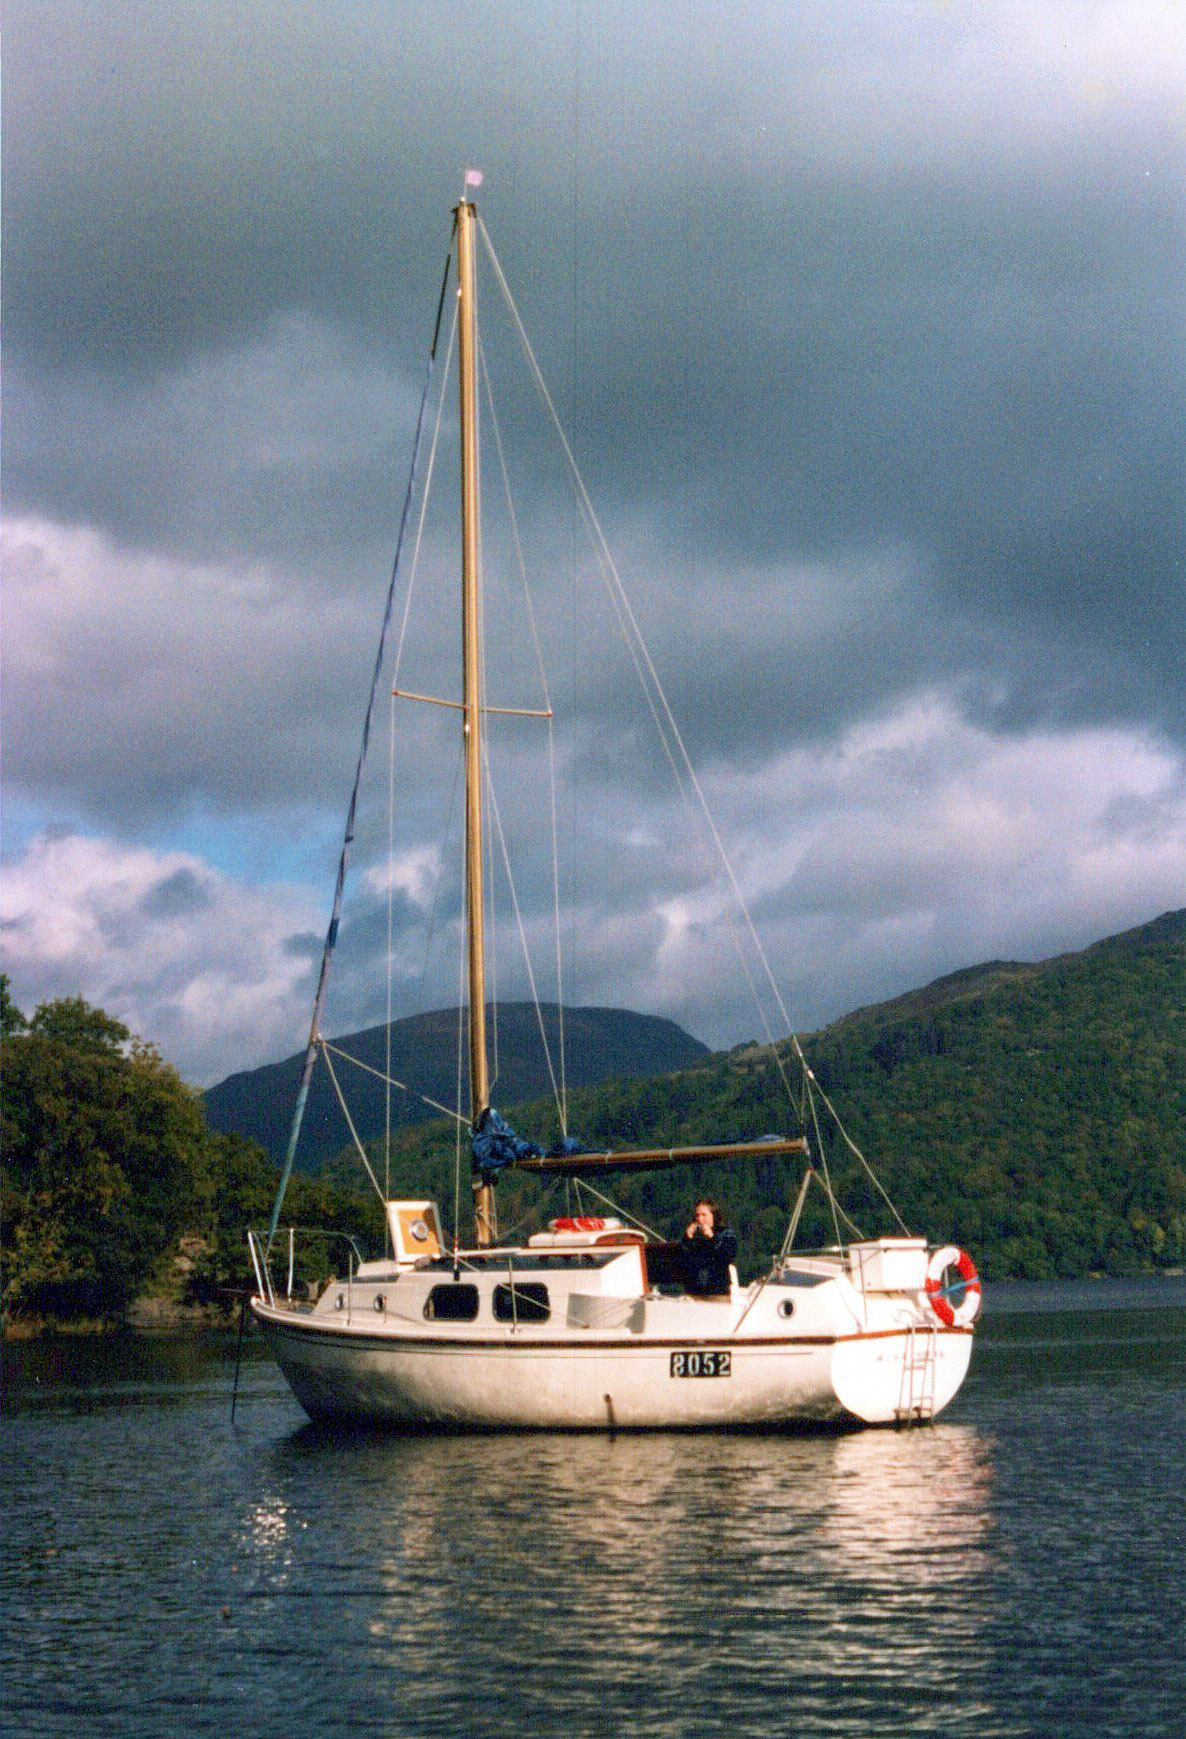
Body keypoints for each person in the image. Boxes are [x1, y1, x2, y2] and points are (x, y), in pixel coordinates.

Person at [680, 1199, 738, 1298]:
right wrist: (687, 1239)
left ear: (713, 1216)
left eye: (704, 1215)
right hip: (693, 1291)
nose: (700, 1219)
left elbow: (728, 1256)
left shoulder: (725, 1234)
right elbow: (682, 1259)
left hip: (717, 1291)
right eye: (697, 1215)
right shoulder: (693, 1236)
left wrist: (712, 1238)